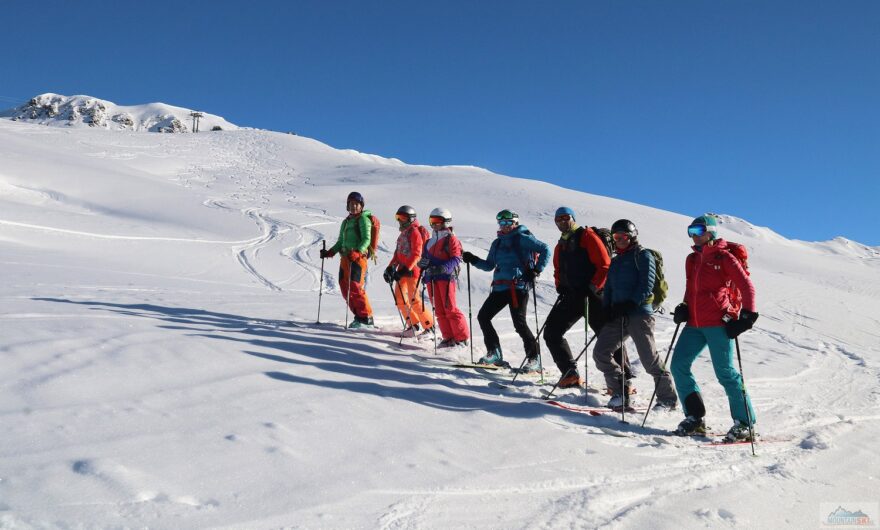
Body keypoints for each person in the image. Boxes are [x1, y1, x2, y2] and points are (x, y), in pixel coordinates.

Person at [670, 215, 759, 441]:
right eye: (691, 230)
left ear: (711, 232)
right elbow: (692, 289)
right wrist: (684, 306)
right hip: (694, 324)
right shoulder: (692, 259)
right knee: (678, 365)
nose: (694, 235)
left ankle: (745, 423)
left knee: (726, 373)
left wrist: (747, 317)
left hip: (719, 324)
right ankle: (695, 418)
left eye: (698, 229)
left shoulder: (725, 257)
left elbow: (747, 287)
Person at [592, 219, 677, 409]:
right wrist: (607, 307)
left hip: (639, 314)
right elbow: (610, 287)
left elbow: (646, 285)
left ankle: (667, 399)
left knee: (649, 360)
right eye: (616, 237)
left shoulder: (643, 256)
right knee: (601, 353)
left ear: (632, 236)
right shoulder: (615, 260)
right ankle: (621, 392)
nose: (619, 240)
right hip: (617, 315)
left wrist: (630, 303)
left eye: (623, 236)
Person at [544, 207, 629, 388]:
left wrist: (593, 287)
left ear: (573, 218)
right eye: (558, 219)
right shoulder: (561, 244)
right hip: (572, 296)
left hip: (595, 297)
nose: (562, 221)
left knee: (608, 338)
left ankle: (624, 380)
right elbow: (558, 269)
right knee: (551, 332)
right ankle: (570, 374)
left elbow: (605, 265)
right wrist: (560, 286)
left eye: (565, 217)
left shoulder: (587, 236)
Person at [462, 210, 550, 369]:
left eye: (508, 223)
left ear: (515, 223)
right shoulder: (497, 243)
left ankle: (534, 359)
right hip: (500, 287)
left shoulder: (523, 238)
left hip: (518, 287)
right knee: (483, 317)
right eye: (501, 223)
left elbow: (545, 249)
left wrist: (536, 270)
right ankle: (494, 353)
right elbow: (489, 266)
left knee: (519, 324)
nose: (504, 226)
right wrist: (473, 259)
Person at [319, 191, 375, 328]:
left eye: (356, 204)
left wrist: (357, 252)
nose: (354, 206)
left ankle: (367, 318)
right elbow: (341, 241)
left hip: (357, 259)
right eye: (351, 204)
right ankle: (358, 316)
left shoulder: (363, 219)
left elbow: (366, 239)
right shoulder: (345, 222)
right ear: (347, 206)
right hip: (345, 259)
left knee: (355, 287)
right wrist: (330, 252)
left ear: (361, 206)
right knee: (345, 288)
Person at [418, 208, 469, 347]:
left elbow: (456, 258)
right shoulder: (428, 242)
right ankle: (448, 337)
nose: (434, 224)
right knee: (439, 310)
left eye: (437, 221)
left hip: (445, 278)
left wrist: (443, 268)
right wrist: (421, 264)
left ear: (446, 222)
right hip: (431, 278)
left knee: (450, 309)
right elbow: (425, 258)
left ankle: (461, 338)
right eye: (431, 221)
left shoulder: (451, 239)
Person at [384, 205, 433, 337]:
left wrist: (405, 269)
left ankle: (429, 326)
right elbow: (397, 254)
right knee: (399, 299)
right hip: (401, 272)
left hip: (412, 271)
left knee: (414, 300)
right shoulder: (402, 235)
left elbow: (417, 254)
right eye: (398, 217)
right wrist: (390, 268)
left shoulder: (414, 233)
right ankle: (413, 324)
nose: (400, 220)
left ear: (411, 219)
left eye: (402, 218)